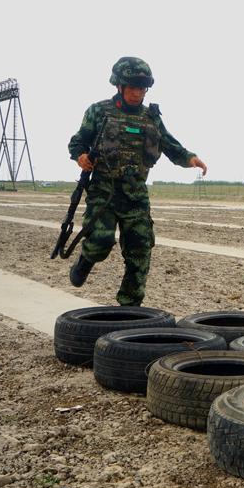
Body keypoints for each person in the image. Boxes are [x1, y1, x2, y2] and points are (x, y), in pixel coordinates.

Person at [67, 56, 207, 306]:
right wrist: (81, 156)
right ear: (119, 86)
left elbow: (169, 144)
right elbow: (78, 140)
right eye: (132, 87)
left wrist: (190, 159)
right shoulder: (99, 111)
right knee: (100, 241)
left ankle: (130, 306)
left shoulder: (151, 117)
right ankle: (86, 260)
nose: (137, 93)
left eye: (141, 88)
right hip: (103, 191)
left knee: (140, 249)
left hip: (135, 195)